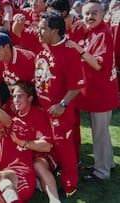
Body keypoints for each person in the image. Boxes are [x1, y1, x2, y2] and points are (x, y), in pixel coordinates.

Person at [33, 10, 85, 198]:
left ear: (55, 30)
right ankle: (52, 173)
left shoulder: (69, 53)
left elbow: (77, 86)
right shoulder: (44, 44)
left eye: (42, 29)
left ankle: (70, 185)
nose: (39, 32)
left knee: (64, 146)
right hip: (42, 108)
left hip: (58, 111)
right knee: (50, 144)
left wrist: (62, 104)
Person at [66, 0, 119, 182]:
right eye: (86, 13)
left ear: (103, 15)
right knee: (101, 132)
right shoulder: (94, 30)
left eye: (94, 13)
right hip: (98, 92)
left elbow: (98, 64)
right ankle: (106, 163)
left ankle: (101, 172)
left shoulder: (103, 33)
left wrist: (79, 50)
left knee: (100, 134)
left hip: (102, 94)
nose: (89, 17)